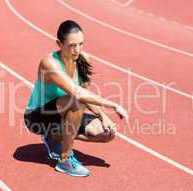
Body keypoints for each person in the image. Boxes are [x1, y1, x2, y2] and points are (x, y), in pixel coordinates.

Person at [24, 20, 128, 177]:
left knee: (106, 133)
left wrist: (104, 117)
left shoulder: (82, 59)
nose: (77, 50)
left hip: (63, 112)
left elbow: (85, 94)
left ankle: (53, 136)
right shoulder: (49, 63)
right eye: (72, 45)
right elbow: (77, 93)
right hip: (37, 117)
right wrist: (112, 105)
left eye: (80, 44)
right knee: (75, 101)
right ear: (59, 43)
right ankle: (65, 160)